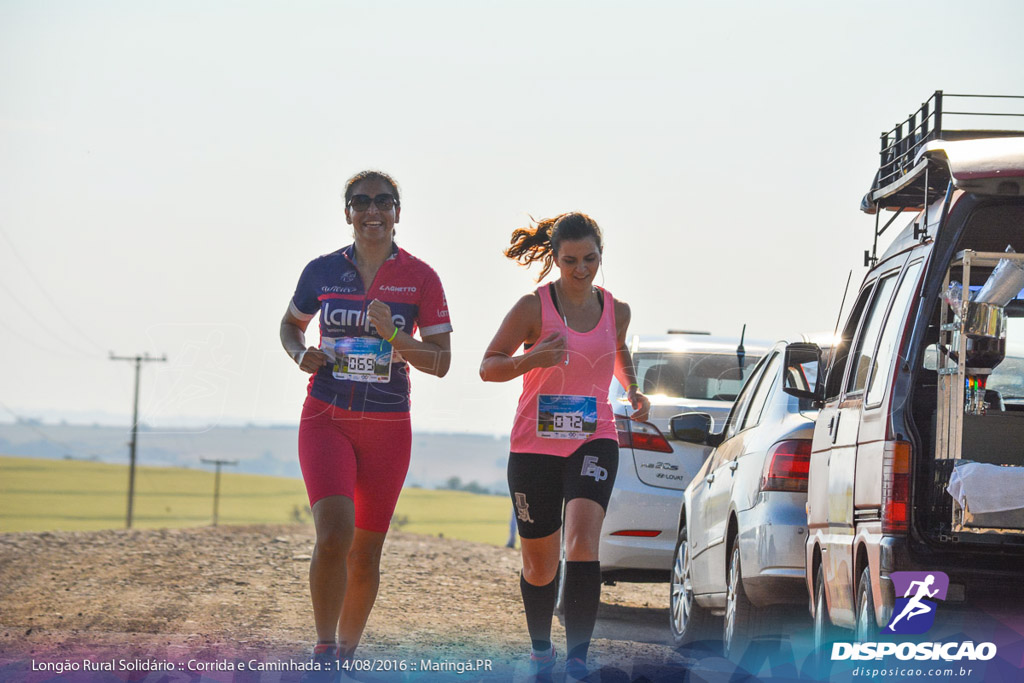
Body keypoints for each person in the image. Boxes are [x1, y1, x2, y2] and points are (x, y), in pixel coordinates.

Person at [280, 170, 452, 671]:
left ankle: (346, 654)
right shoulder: (321, 271)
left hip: (387, 425)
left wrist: (394, 336)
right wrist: (299, 355)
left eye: (383, 201)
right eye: (361, 202)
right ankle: (323, 648)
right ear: (348, 213)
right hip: (326, 416)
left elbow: (440, 361)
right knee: (333, 535)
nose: (372, 210)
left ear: (398, 211)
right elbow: (291, 325)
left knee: (365, 555)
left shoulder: (421, 278)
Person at [479, 212, 649, 681]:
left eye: (590, 259)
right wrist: (533, 358)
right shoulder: (532, 307)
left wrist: (632, 389)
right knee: (539, 564)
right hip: (534, 448)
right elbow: (488, 366)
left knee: (581, 542)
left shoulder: (617, 309)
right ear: (554, 259)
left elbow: (616, 351)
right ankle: (541, 650)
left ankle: (577, 660)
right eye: (571, 260)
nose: (581, 269)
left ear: (601, 255)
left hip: (594, 439)